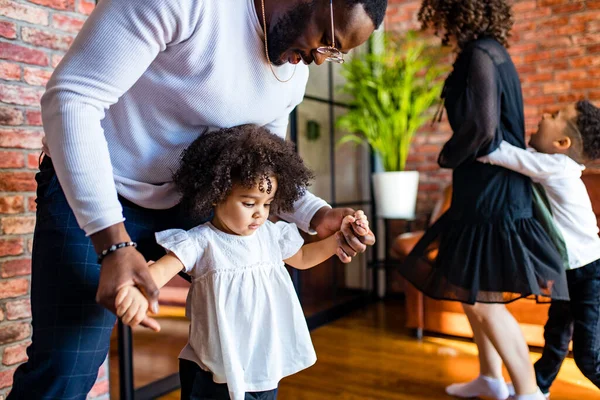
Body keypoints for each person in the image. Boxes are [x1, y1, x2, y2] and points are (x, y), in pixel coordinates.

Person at [8, 0, 387, 398]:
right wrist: (113, 242)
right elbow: (72, 98)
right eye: (327, 41)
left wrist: (318, 214)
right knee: (67, 367)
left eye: (335, 54)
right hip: (98, 191)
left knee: (242, 343)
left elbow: (260, 167)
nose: (320, 60)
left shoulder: (291, 74)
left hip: (194, 198)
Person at [115, 125, 370, 400]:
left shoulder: (270, 235)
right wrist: (135, 292)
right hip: (214, 370)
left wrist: (336, 242)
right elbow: (160, 271)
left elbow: (304, 257)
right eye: (249, 204)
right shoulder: (201, 242)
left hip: (262, 364)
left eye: (267, 204)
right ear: (216, 194)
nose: (260, 214)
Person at [397, 1, 569, 400]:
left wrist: (446, 156)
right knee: (471, 294)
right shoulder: (489, 50)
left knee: (486, 301)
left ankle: (528, 392)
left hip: (493, 195)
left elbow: (483, 129)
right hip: (482, 192)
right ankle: (492, 378)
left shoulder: (481, 53)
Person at [478, 100, 600, 399]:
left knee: (587, 356)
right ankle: (540, 386)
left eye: (555, 116)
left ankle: (541, 385)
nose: (545, 114)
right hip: (570, 272)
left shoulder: (557, 167)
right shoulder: (552, 163)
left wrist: (475, 137)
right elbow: (524, 156)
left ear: (562, 143)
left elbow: (497, 154)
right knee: (555, 336)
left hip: (590, 274)